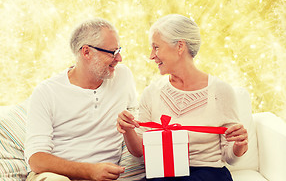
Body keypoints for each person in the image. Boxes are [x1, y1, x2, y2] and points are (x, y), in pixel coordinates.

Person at [117, 14, 248, 181]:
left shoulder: (221, 92)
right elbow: (139, 152)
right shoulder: (152, 92)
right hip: (164, 173)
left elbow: (230, 157)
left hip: (208, 174)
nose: (151, 55)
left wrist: (239, 145)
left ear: (180, 47)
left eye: (156, 47)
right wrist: (128, 130)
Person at [25, 18, 137, 181]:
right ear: (86, 52)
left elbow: (137, 126)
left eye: (118, 50)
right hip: (56, 176)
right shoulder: (47, 92)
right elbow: (36, 159)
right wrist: (90, 171)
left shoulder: (123, 77)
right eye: (112, 52)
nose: (119, 58)